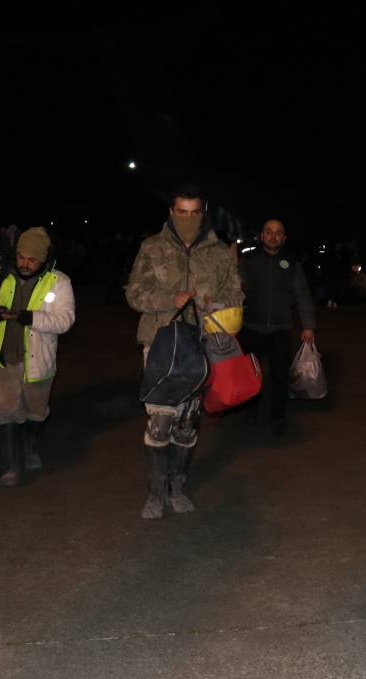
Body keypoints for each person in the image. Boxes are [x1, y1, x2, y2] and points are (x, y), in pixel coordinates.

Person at [126, 184, 242, 519]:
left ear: (203, 213)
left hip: (202, 345)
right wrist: (168, 301)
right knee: (159, 422)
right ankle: (155, 493)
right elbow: (134, 293)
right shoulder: (152, 247)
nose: (188, 218)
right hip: (161, 342)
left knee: (187, 424)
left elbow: (236, 295)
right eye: (182, 212)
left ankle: (178, 488)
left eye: (194, 212)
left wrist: (217, 306)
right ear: (172, 212)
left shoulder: (220, 252)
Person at [0, 227, 76, 487]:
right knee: (6, 413)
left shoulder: (59, 281)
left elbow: (66, 320)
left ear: (44, 260)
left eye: (32, 259)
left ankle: (31, 450)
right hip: (3, 359)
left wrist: (33, 319)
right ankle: (10, 467)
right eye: (21, 256)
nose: (25, 263)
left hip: (38, 362)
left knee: (36, 412)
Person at [238, 219, 317, 435]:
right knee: (250, 373)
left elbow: (302, 295)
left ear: (284, 238)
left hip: (281, 329)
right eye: (269, 232)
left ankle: (278, 415)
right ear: (262, 235)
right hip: (251, 327)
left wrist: (308, 326)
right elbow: (235, 290)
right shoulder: (247, 260)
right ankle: (250, 409)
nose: (273, 236)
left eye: (278, 233)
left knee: (280, 375)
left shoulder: (291, 264)